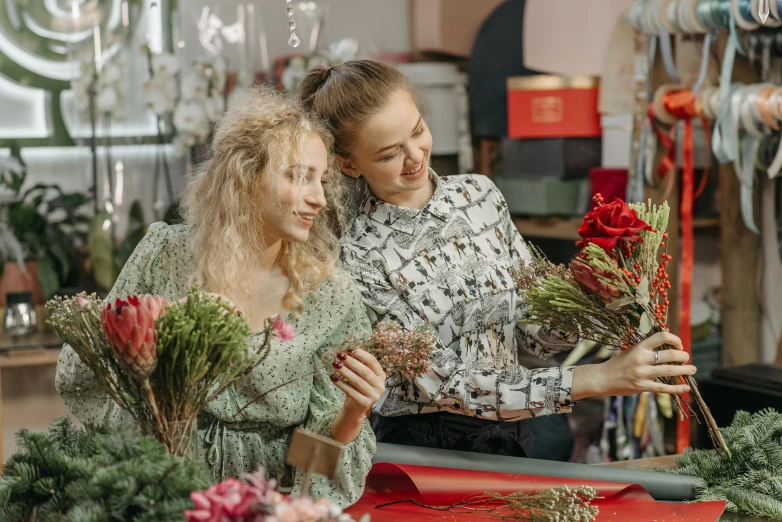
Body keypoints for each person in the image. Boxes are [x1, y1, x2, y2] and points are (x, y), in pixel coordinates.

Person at [297, 60, 696, 458]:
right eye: (389, 154)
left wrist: (588, 299)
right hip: (424, 449)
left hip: (513, 431)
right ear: (348, 164)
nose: (415, 156)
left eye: (418, 131)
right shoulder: (359, 254)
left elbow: (531, 333)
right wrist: (601, 377)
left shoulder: (480, 196)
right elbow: (454, 386)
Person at [56, 87, 385, 506]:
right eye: (299, 176)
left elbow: (315, 466)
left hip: (270, 504)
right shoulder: (165, 254)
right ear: (245, 175)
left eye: (321, 180)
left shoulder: (330, 294)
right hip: (165, 493)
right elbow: (88, 374)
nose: (319, 197)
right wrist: (160, 441)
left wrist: (353, 414)